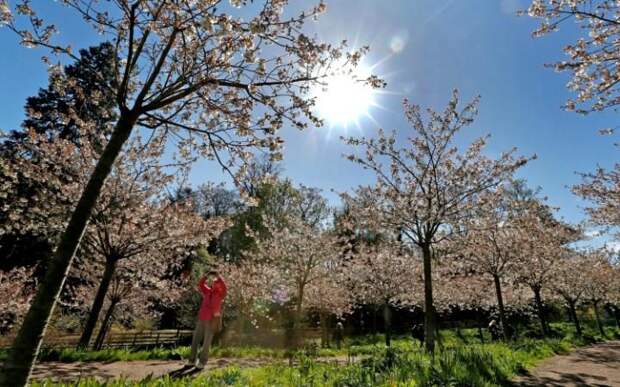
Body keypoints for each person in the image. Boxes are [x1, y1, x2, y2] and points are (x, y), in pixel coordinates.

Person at [187, 270, 227, 369]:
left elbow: (225, 288)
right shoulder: (207, 291)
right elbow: (201, 284)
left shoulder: (221, 294)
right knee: (195, 340)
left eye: (217, 283)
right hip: (202, 318)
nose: (216, 284)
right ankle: (192, 360)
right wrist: (206, 276)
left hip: (212, 320)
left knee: (206, 343)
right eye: (214, 283)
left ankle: (202, 362)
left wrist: (219, 277)